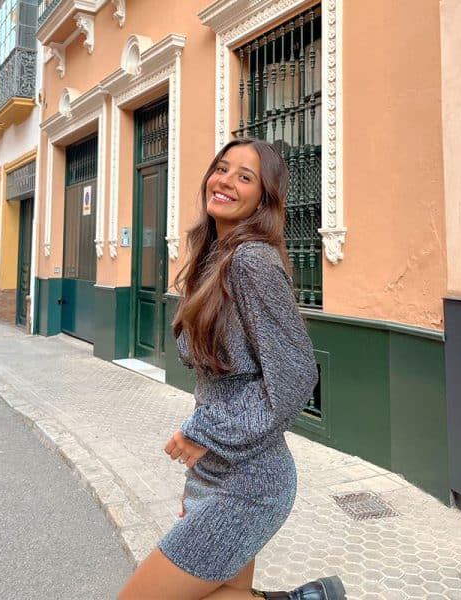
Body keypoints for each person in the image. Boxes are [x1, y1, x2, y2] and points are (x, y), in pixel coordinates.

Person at [119, 138, 346, 600]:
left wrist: (207, 432)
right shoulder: (214, 257)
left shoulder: (251, 261)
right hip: (213, 473)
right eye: (222, 169)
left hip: (250, 480)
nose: (225, 181)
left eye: (245, 177)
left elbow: (297, 374)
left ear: (264, 199)